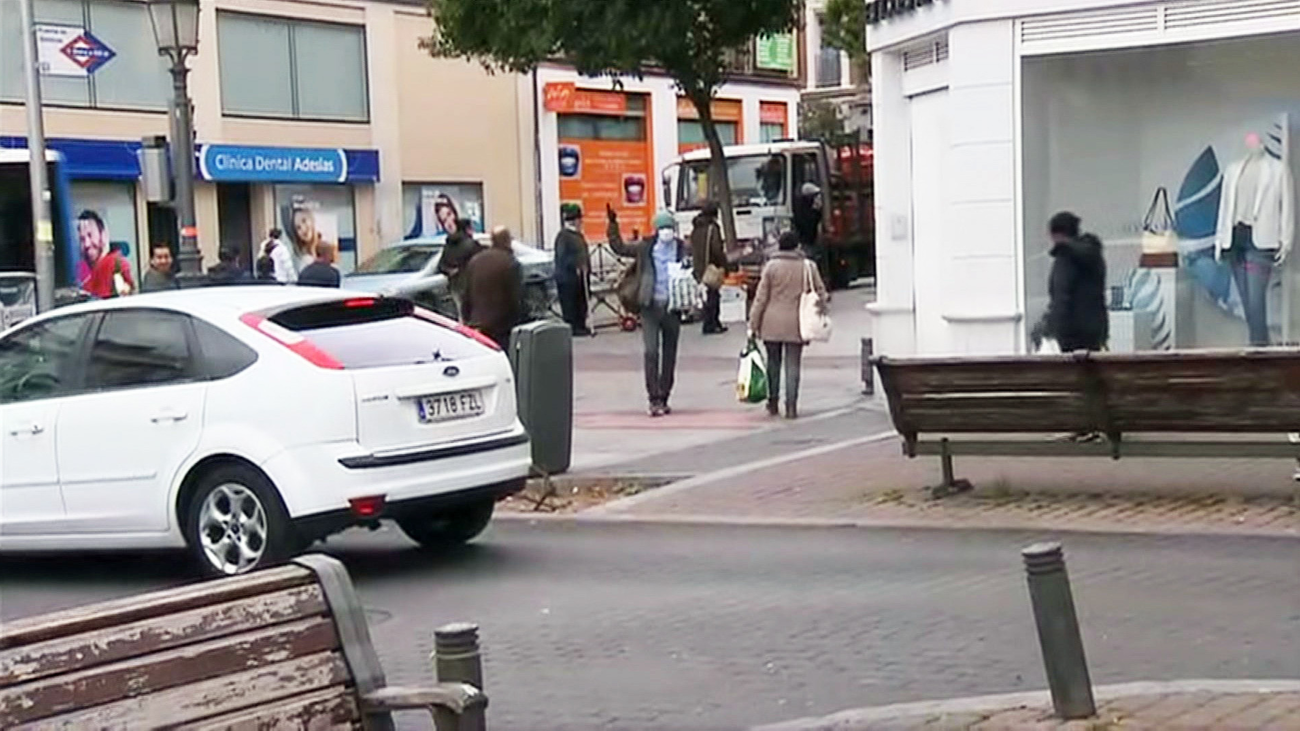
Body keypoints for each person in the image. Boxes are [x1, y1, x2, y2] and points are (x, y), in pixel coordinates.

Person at [608, 207, 688, 417]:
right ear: (656, 230)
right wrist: (613, 225)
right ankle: (653, 398)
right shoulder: (646, 247)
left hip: (672, 308)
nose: (666, 232)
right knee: (651, 351)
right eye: (662, 228)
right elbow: (620, 248)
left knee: (670, 355)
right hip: (650, 306)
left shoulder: (682, 248)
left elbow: (695, 266)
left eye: (669, 227)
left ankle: (664, 395)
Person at [749, 232, 828, 420]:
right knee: (793, 365)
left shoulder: (770, 267)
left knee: (773, 363)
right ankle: (791, 405)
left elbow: (761, 299)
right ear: (797, 246)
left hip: (771, 322)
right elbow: (821, 292)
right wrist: (820, 310)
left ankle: (773, 402)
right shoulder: (808, 267)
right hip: (797, 323)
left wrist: (753, 323)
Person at [1031, 211, 1108, 354]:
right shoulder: (1094, 255)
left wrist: (1051, 330)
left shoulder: (1065, 258)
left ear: (1056, 235)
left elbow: (1061, 297)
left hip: (1070, 334)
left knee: (1068, 375)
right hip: (1095, 332)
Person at [462, 225, 524, 350]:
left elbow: (467, 294)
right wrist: (519, 320)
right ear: (507, 241)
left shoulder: (476, 260)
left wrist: (467, 319)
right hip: (502, 325)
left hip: (477, 322)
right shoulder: (510, 263)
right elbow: (515, 297)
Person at [691, 201, 729, 335]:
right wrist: (724, 264)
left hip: (699, 265)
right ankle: (711, 323)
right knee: (714, 295)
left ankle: (710, 322)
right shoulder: (713, 228)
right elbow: (716, 249)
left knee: (706, 295)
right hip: (711, 266)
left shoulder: (696, 227)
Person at [554, 204, 592, 336]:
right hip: (568, 278)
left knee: (581, 302)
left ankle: (581, 324)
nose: (581, 222)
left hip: (580, 276)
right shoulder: (563, 236)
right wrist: (575, 265)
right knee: (571, 303)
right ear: (574, 220)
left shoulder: (577, 235)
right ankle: (573, 327)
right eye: (579, 219)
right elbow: (562, 256)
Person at [78, 211, 135, 298]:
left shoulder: (116, 263)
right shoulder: (80, 269)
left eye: (90, 236)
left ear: (103, 235)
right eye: (82, 239)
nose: (87, 244)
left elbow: (126, 290)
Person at [438, 219, 484, 311]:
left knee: (460, 310)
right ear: (468, 229)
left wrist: (451, 271)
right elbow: (481, 264)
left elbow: (441, 265)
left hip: (454, 285)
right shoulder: (472, 244)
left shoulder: (449, 245)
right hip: (470, 285)